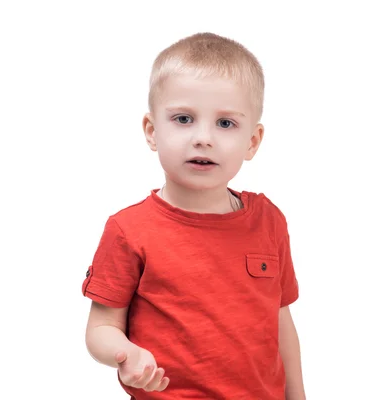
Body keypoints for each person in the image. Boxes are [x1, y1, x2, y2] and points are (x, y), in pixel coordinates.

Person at [82, 32, 306, 400]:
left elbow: (281, 323)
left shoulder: (270, 221)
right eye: (184, 119)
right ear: (152, 131)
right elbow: (101, 327)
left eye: (225, 124)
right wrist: (126, 354)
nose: (203, 138)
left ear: (252, 141)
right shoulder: (128, 230)